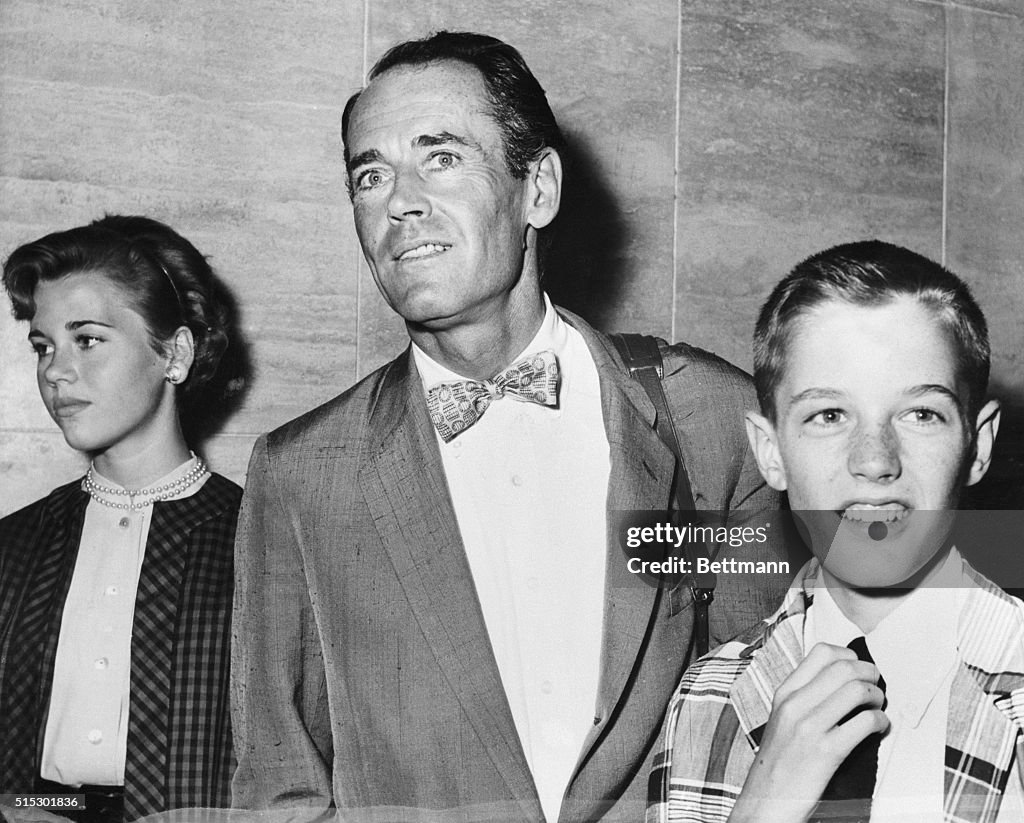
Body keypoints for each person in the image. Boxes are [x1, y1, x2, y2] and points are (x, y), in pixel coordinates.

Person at [231, 31, 792, 822]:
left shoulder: (704, 420)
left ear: (539, 189)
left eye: (443, 156)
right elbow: (281, 790)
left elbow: (766, 730)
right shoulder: (301, 473)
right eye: (370, 174)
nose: (400, 200)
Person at [647, 240, 1024, 823]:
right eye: (828, 415)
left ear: (980, 447)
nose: (874, 461)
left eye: (921, 414)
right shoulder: (709, 700)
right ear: (770, 452)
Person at [0, 216, 240, 822]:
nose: (55, 371)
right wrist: (18, 808)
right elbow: (26, 791)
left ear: (175, 353)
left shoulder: (263, 542)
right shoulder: (13, 544)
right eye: (44, 346)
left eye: (87, 339)